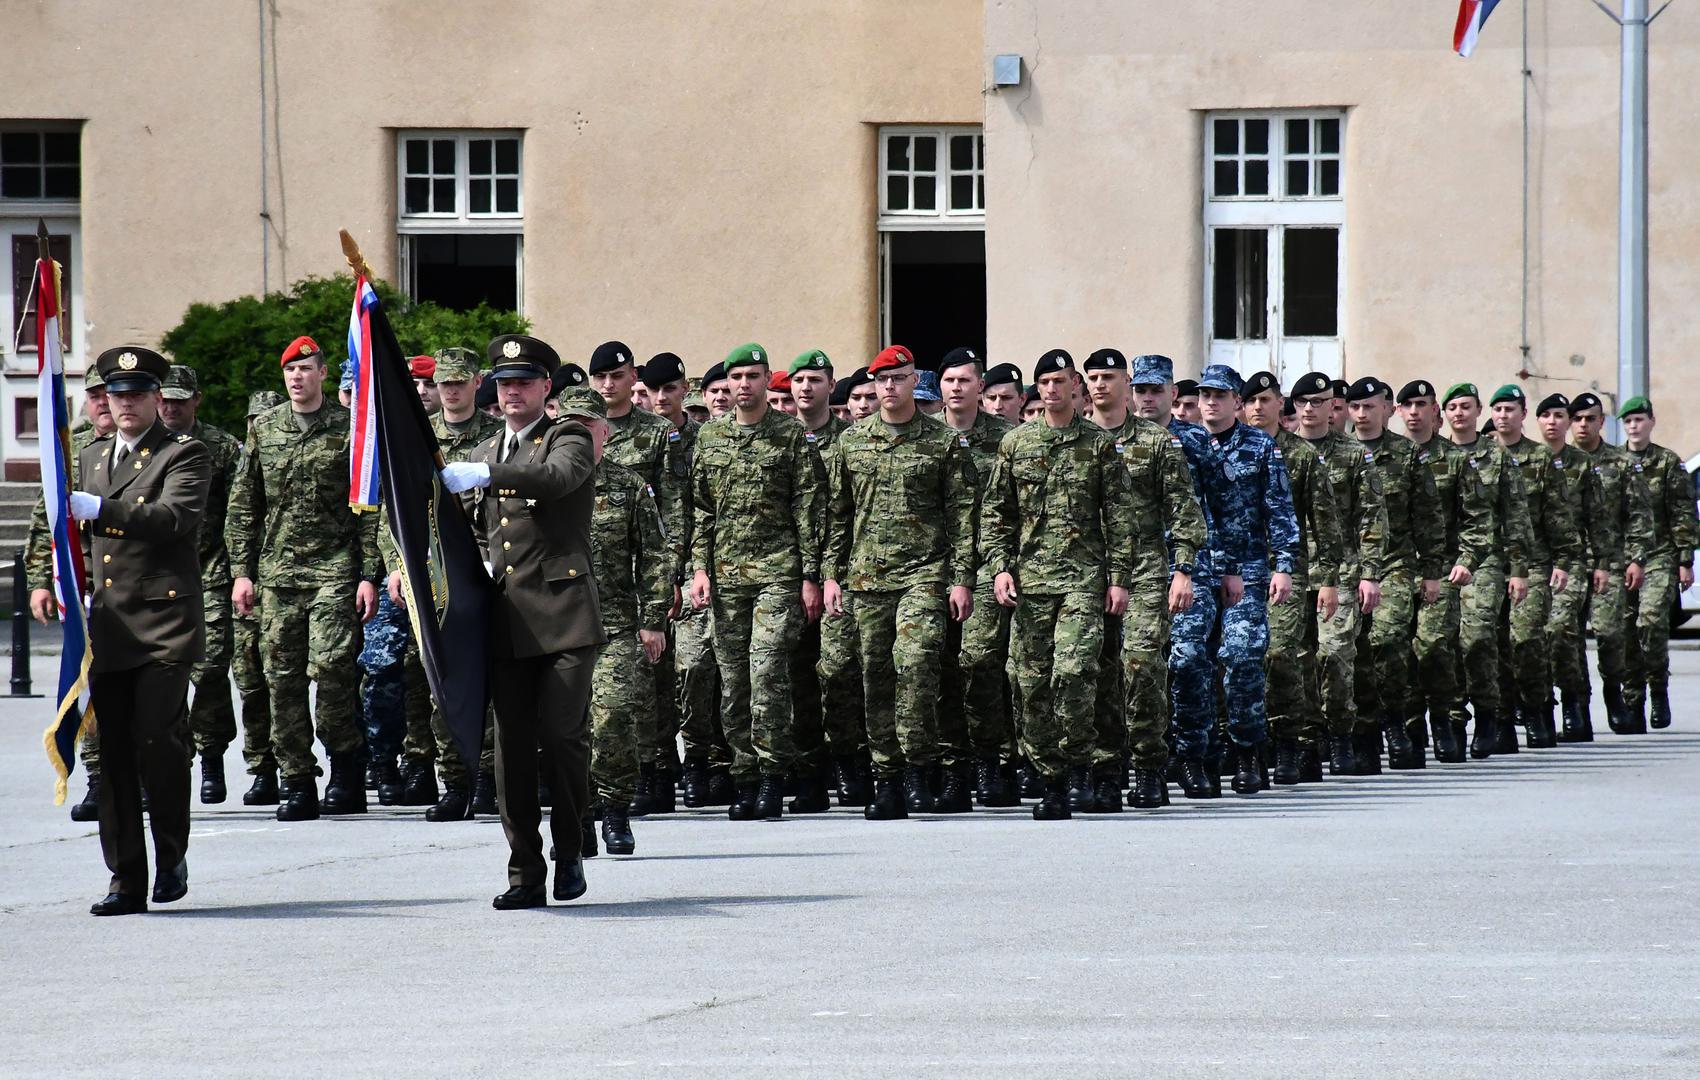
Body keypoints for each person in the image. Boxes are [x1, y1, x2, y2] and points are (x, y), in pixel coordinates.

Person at [438, 333, 604, 908]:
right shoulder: (486, 451)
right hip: (507, 621)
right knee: (510, 750)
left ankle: (571, 847)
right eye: (504, 383)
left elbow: (557, 480)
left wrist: (486, 478)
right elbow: (461, 528)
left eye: (524, 382)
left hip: (563, 617)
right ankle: (524, 870)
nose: (513, 392)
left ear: (546, 387)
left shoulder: (569, 436)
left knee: (561, 737)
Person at [69, 346, 211, 915]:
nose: (124, 405)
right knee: (114, 753)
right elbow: (76, 538)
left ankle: (170, 852)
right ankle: (125, 877)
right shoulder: (91, 456)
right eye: (115, 396)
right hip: (111, 624)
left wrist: (98, 510)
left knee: (158, 741)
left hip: (163, 625)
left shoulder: (184, 453)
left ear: (157, 398)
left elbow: (174, 521)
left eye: (136, 395)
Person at [227, 336, 380, 820]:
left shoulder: (349, 429)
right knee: (282, 679)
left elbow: (368, 509)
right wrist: (241, 573)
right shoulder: (264, 430)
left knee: (335, 668)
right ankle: (296, 779)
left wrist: (368, 574)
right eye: (290, 369)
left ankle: (346, 764)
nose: (297, 377)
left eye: (306, 368)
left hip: (335, 568)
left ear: (322, 375)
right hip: (276, 575)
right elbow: (244, 503)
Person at [822, 345, 975, 818]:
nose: (889, 387)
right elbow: (836, 515)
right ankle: (885, 777)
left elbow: (963, 514)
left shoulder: (942, 441)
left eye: (899, 378)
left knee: (917, 664)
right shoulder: (850, 442)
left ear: (914, 382)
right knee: (875, 675)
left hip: (925, 575)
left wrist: (962, 579)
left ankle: (918, 771)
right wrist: (830, 575)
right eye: (882, 379)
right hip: (866, 578)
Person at [982, 349, 1134, 820]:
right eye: (1044, 382)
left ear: (1076, 388)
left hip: (1083, 581)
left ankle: (1080, 770)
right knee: (1029, 683)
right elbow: (995, 513)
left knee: (1073, 674)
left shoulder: (1099, 444)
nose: (1052, 389)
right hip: (1030, 585)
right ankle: (1049, 778)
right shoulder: (1016, 444)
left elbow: (1120, 516)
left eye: (1060, 381)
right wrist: (1000, 567)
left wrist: (1119, 578)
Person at [688, 344, 822, 820]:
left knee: (767, 674)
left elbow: (808, 510)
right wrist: (699, 569)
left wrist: (811, 576)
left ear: (768, 380)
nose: (743, 384)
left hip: (777, 573)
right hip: (725, 577)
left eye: (753, 375)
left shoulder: (790, 435)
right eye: (736, 376)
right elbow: (701, 511)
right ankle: (744, 776)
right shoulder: (710, 438)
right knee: (733, 683)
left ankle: (771, 776)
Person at [1169, 365, 1298, 796]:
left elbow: (1279, 509)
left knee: (1242, 657)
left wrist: (1283, 565)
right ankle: (1196, 755)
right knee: (1189, 660)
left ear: (1237, 403)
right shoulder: (1181, 443)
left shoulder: (1260, 447)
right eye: (1204, 394)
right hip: (1198, 568)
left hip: (1248, 569)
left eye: (1220, 395)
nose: (1209, 402)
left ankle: (1247, 749)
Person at [555, 385, 672, 856]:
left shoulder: (628, 486)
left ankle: (616, 811)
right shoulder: (543, 485)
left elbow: (655, 556)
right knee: (566, 725)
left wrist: (653, 619)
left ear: (605, 432)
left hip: (616, 624)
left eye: (589, 426)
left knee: (613, 717)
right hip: (558, 626)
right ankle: (578, 817)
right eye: (571, 427)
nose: (581, 435)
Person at [1089, 351, 1205, 807]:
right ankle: (1105, 766)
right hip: (1087, 572)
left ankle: (1149, 766)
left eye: (1111, 378)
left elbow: (1184, 511)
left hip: (1145, 571)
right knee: (1096, 669)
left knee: (1141, 666)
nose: (1101, 386)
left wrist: (1184, 569)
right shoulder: (1074, 439)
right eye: (1093, 378)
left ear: (1127, 383)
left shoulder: (1156, 442)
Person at [400, 347, 506, 820]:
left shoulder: (495, 438)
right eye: (444, 383)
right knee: (439, 675)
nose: (451, 390)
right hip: (434, 574)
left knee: (486, 672)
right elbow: (394, 515)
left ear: (476, 382)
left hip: (485, 570)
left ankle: (487, 776)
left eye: (460, 382)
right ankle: (455, 780)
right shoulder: (418, 439)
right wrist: (397, 567)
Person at [588, 341, 688, 813]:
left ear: (634, 380)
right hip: (598, 571)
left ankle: (656, 767)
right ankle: (626, 771)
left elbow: (671, 505)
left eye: (618, 375)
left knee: (652, 676)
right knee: (618, 686)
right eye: (601, 377)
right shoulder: (576, 431)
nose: (609, 384)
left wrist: (671, 571)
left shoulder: (657, 433)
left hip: (643, 567)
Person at [646, 353, 735, 807]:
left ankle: (707, 760)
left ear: (686, 390)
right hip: (651, 572)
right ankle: (663, 764)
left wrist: (694, 567)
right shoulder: (639, 438)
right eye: (654, 389)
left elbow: (706, 509)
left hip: (701, 568)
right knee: (659, 674)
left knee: (700, 668)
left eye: (671, 388)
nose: (662, 398)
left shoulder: (707, 439)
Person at [1245, 371, 1342, 784]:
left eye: (1265, 400)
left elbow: (1325, 522)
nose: (1257, 408)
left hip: (1289, 570)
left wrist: (1331, 580)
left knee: (1284, 654)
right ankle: (1253, 741)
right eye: (1250, 400)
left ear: (1278, 403)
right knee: (1245, 658)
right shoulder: (1232, 450)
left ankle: (1293, 742)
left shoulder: (1301, 455)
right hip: (1241, 570)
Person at [27, 364, 115, 821]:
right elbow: (46, 521)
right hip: (82, 590)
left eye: (110, 393)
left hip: (132, 587)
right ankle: (99, 780)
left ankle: (142, 776)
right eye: (95, 393)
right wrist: (40, 581)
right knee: (88, 685)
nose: (102, 402)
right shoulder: (69, 449)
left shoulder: (142, 451)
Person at [155, 365, 244, 803]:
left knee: (208, 670)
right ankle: (171, 762)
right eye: (165, 399)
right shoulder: (145, 448)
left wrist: (241, 571)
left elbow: (242, 511)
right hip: (156, 578)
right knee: (163, 675)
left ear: (196, 400)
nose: (171, 407)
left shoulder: (223, 448)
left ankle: (211, 753)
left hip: (211, 573)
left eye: (179, 399)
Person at [1290, 372, 1386, 776]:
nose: (1311, 409)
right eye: (1303, 402)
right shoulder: (1278, 450)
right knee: (1294, 657)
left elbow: (1371, 517)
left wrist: (1370, 573)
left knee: (1334, 653)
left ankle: (1342, 733)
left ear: (1334, 406)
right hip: (1292, 569)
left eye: (1320, 401)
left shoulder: (1351, 454)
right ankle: (1308, 739)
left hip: (1342, 569)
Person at [936, 348, 1020, 806]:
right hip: (931, 566)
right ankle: (952, 765)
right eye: (949, 380)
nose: (956, 388)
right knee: (938, 665)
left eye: (965, 380)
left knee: (979, 661)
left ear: (980, 387)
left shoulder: (1007, 439)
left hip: (988, 565)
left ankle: (992, 760)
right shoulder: (925, 436)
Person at [786, 349, 868, 810]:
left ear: (830, 384)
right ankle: (810, 773)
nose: (806, 388)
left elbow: (847, 514)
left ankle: (850, 761)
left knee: (838, 670)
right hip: (789, 574)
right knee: (797, 674)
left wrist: (828, 573)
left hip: (842, 573)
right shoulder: (780, 438)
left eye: (815, 379)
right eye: (799, 379)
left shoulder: (851, 439)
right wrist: (802, 575)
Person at [1348, 376, 1443, 771]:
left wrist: (1432, 570)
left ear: (1388, 409)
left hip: (1395, 564)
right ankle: (1364, 733)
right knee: (1353, 652)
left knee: (1387, 641)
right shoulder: (1339, 451)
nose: (1362, 413)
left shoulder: (1406, 454)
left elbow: (1427, 515)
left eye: (1370, 406)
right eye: (1355, 406)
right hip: (1346, 567)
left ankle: (1399, 725)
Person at [1441, 383, 1532, 758]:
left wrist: (1520, 569)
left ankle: (1488, 715)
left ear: (1479, 411)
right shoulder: (1435, 455)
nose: (1459, 413)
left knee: (1477, 638)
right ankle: (1454, 719)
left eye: (1466, 406)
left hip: (1488, 561)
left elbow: (1516, 515)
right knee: (1444, 642)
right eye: (1452, 407)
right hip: (1443, 562)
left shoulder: (1496, 456)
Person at [1395, 379, 1483, 764]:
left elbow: (1477, 519)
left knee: (1433, 646)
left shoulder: (1457, 458)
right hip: (1395, 568)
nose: (1414, 411)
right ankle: (1412, 727)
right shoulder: (1387, 457)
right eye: (1407, 405)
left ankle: (1448, 722)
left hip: (1442, 568)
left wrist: (1466, 560)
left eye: (1422, 404)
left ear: (1435, 411)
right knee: (1399, 649)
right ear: (1397, 411)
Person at [1489, 384, 1579, 748]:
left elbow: (1559, 514)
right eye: (1497, 409)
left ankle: (1539, 709)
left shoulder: (1540, 458)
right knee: (1493, 642)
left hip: (1535, 563)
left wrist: (1564, 560)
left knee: (1526, 637)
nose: (1503, 415)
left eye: (1510, 409)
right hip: (1490, 562)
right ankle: (1504, 717)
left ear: (1522, 414)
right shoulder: (1482, 456)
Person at [1567, 393, 1653, 734]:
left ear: (1602, 422)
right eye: (1578, 418)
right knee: (1566, 636)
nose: (1584, 424)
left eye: (1591, 418)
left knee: (1611, 632)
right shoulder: (1558, 464)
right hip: (1569, 562)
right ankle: (1578, 706)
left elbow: (1639, 516)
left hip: (1611, 561)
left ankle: (1615, 696)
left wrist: (1637, 559)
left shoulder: (1620, 464)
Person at [1617, 395, 1698, 731]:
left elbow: (1683, 512)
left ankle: (1658, 688)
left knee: (1650, 623)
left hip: (1659, 554)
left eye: (1639, 420)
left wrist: (1685, 559)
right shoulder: (1614, 462)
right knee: (1625, 630)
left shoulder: (1667, 462)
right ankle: (1633, 701)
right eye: (1628, 421)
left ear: (1651, 421)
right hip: (1621, 559)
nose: (1634, 426)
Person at [1534, 394, 1600, 740]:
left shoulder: (1582, 464)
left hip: (1573, 559)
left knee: (1562, 631)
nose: (1552, 421)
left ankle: (1575, 705)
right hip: (1531, 561)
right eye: (1545, 415)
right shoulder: (1525, 459)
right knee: (1537, 635)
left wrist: (1602, 564)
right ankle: (1542, 706)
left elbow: (1597, 518)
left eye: (1559, 415)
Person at [231, 391, 282, 804]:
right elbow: (236, 516)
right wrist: (239, 574)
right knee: (251, 680)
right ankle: (261, 765)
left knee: (290, 678)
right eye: (252, 420)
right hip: (251, 584)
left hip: (288, 578)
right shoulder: (244, 459)